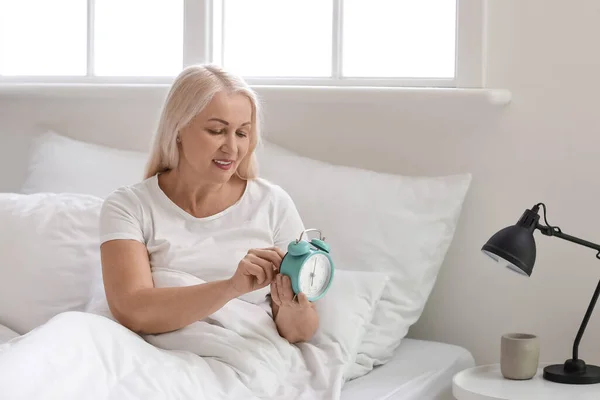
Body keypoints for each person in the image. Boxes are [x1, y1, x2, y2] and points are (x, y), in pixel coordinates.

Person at [98, 64, 319, 344]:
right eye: (217, 131)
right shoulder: (128, 206)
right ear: (177, 129)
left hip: (236, 354)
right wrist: (231, 287)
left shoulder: (272, 204)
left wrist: (291, 305)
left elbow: (299, 332)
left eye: (242, 133)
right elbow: (132, 310)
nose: (232, 147)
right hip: (144, 355)